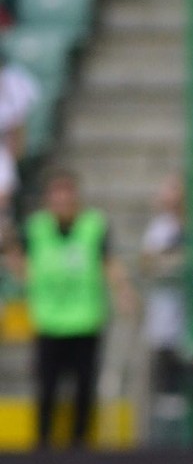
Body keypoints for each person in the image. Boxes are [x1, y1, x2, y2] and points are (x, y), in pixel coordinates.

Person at [8, 169, 135, 448]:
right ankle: (42, 450)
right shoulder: (36, 228)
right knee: (46, 391)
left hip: (85, 321)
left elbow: (108, 260)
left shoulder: (93, 226)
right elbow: (18, 259)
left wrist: (123, 292)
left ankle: (80, 450)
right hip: (49, 322)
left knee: (83, 392)